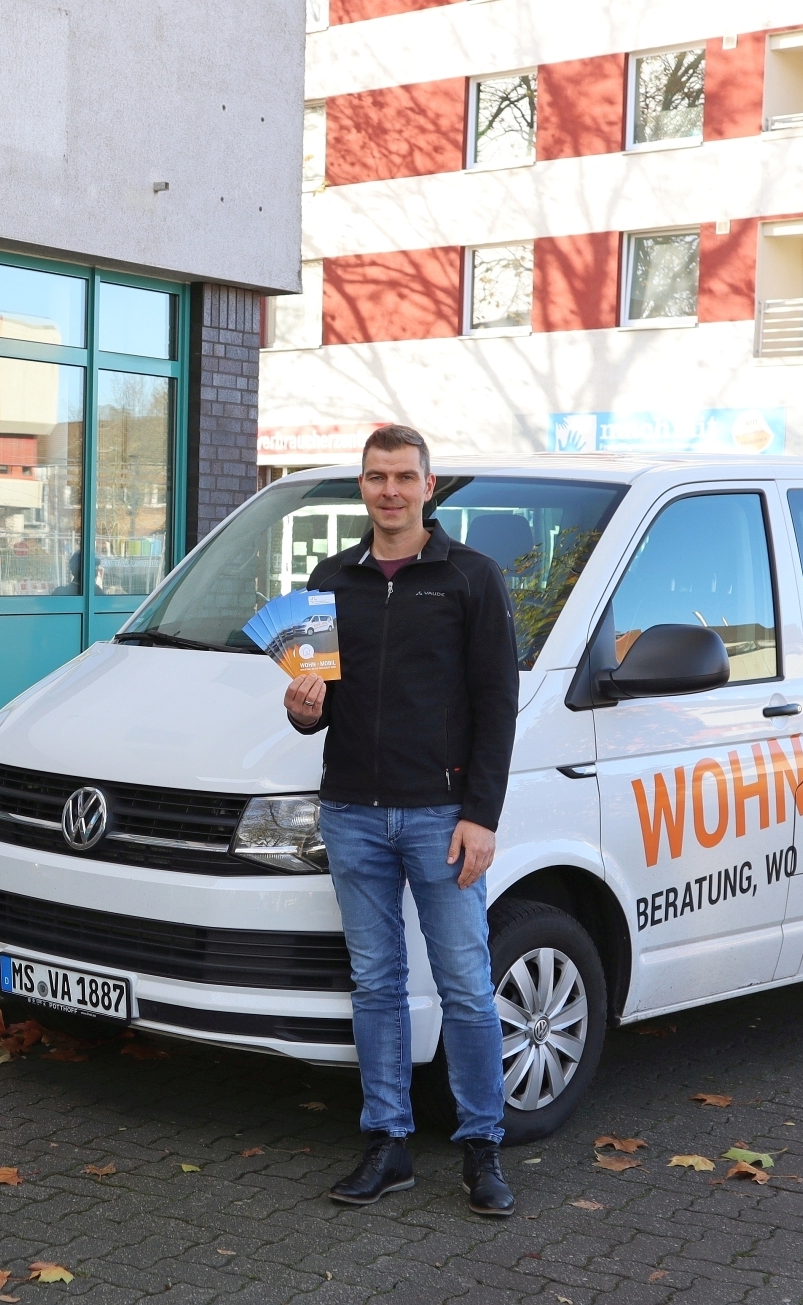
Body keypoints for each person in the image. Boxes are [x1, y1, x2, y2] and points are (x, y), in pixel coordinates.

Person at [284, 424, 520, 1217]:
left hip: (441, 817)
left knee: (466, 984)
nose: (389, 490)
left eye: (403, 476)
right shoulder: (329, 578)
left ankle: (483, 1148)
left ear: (428, 486)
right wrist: (301, 707)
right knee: (377, 982)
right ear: (362, 486)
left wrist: (480, 815)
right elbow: (315, 711)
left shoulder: (470, 578)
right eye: (376, 476)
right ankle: (388, 1143)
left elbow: (498, 706)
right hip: (350, 812)